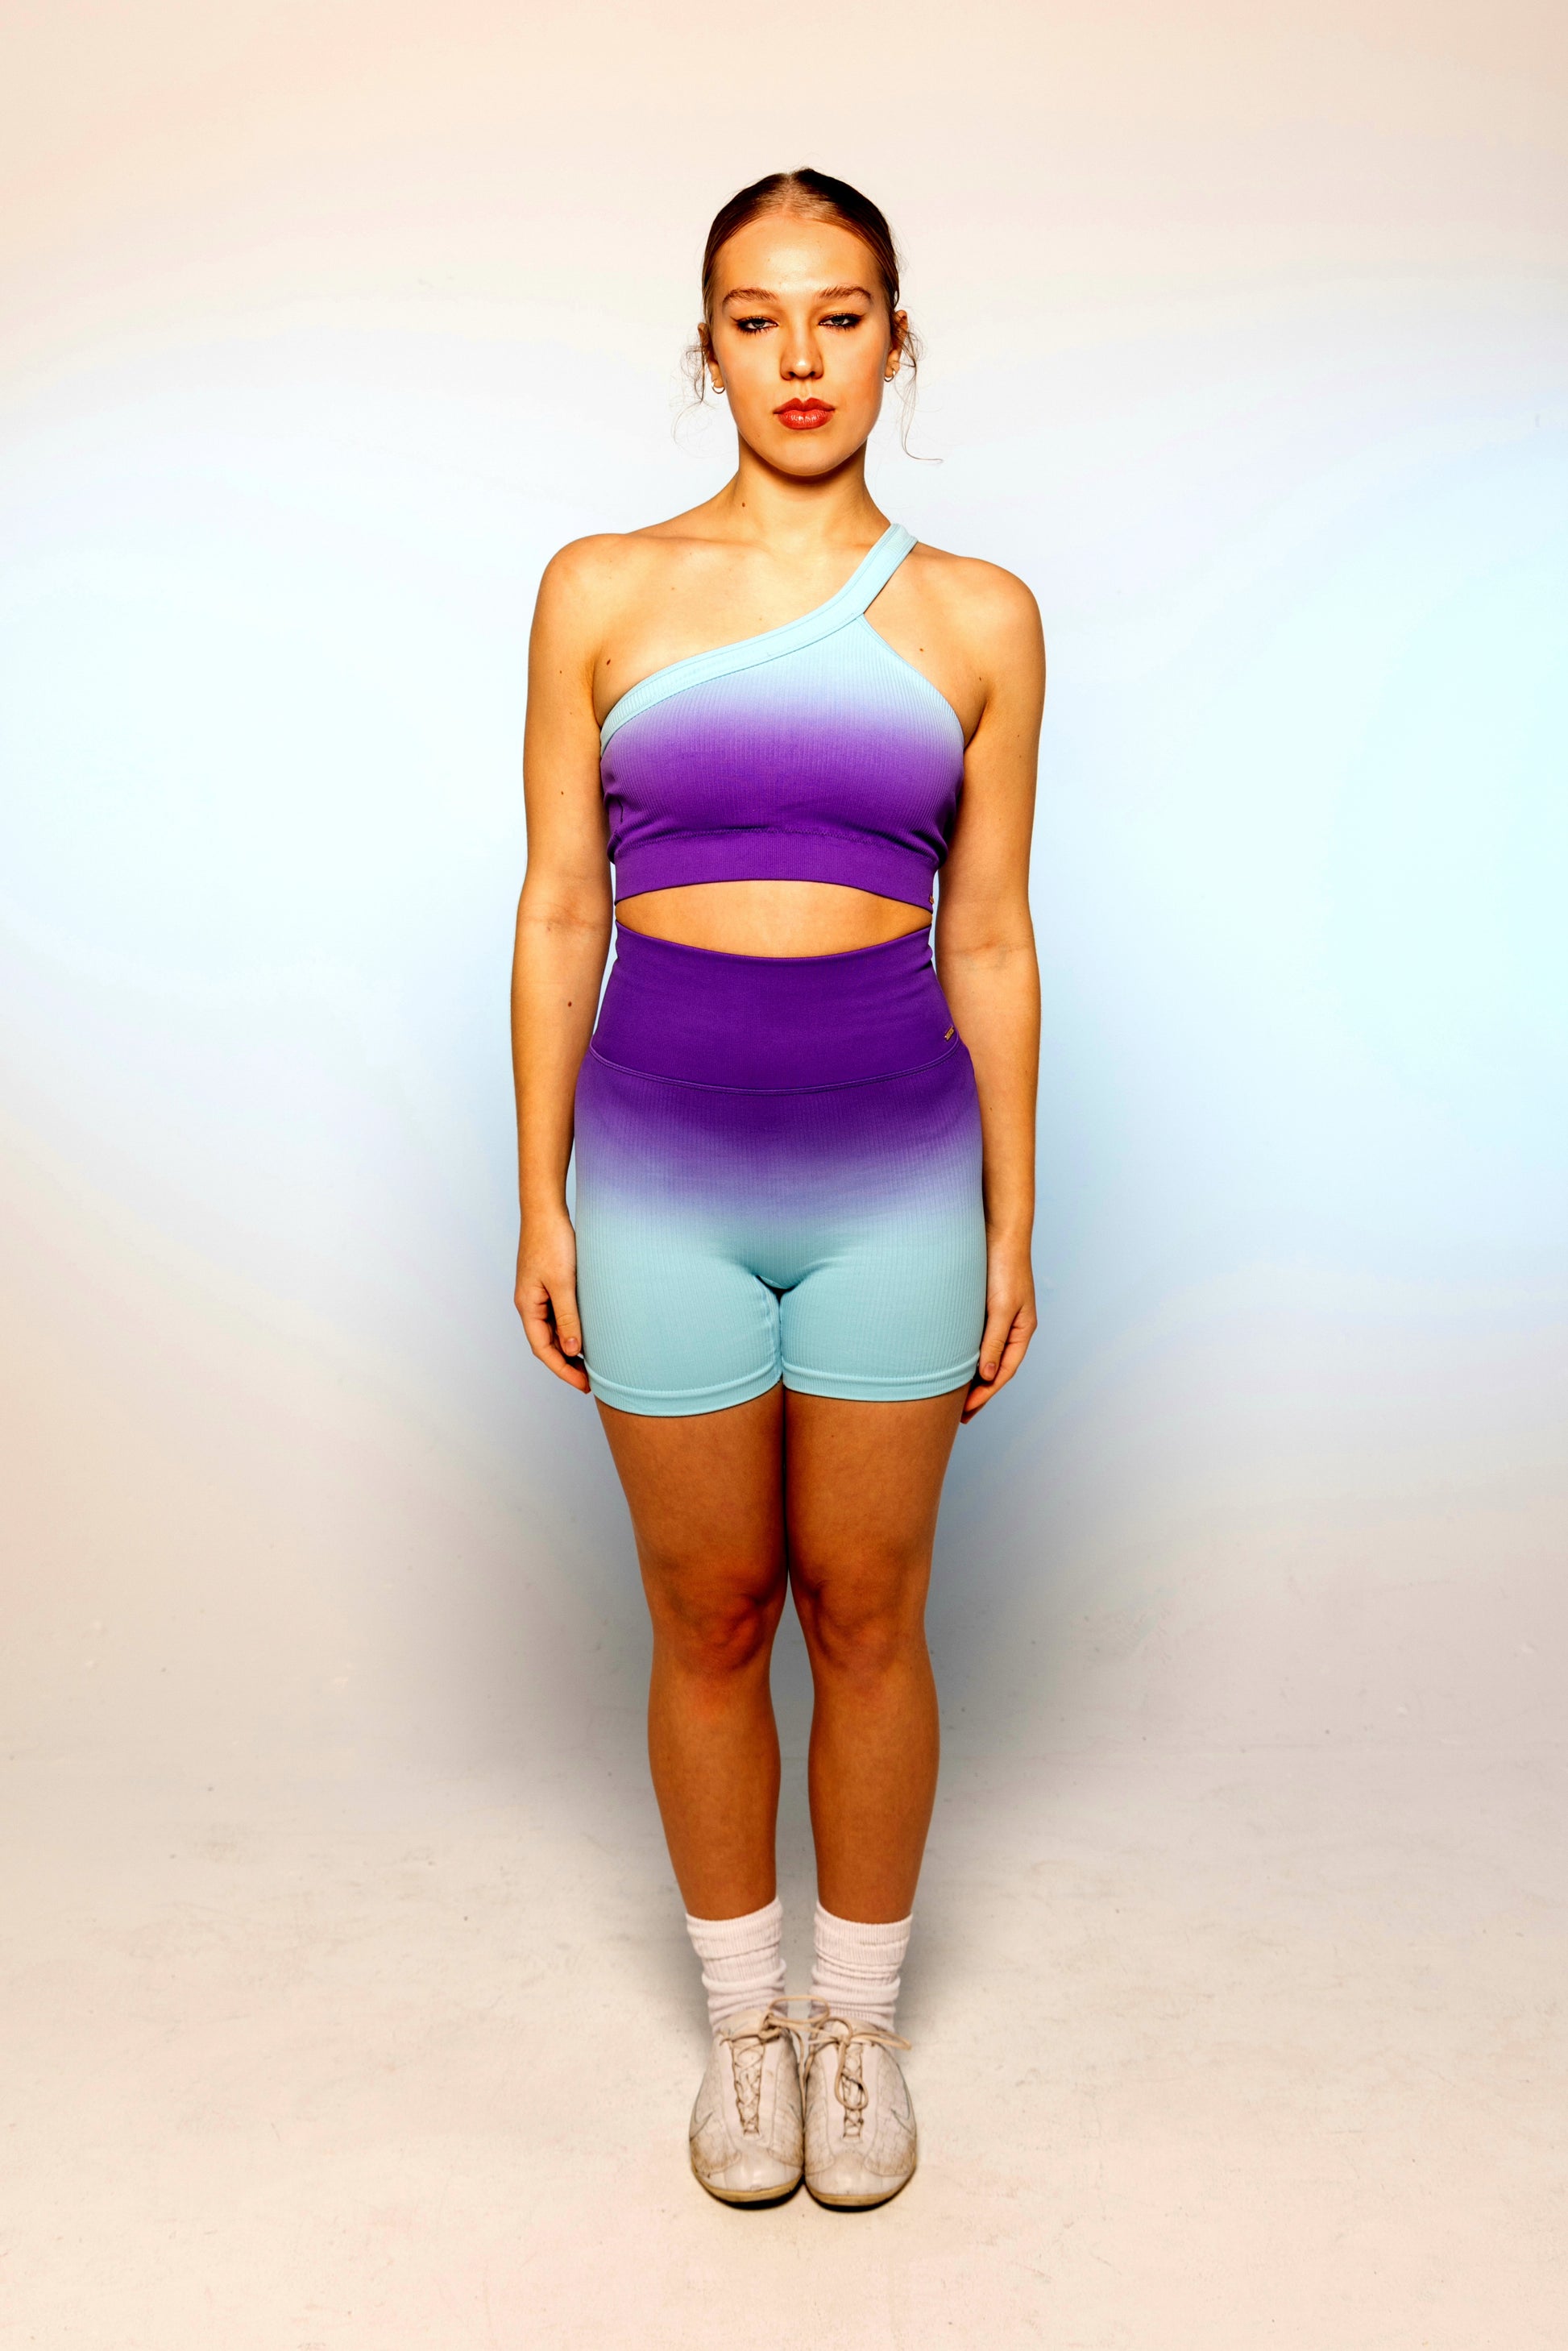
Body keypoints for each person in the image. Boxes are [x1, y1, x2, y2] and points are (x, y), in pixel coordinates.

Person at [511, 168, 1043, 2208]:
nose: (800, 356)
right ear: (708, 345)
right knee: (709, 1606)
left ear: (896, 340)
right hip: (657, 1175)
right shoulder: (600, 589)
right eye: (757, 316)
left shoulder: (979, 616)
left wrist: (1010, 1216)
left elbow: (987, 933)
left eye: (839, 314)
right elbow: (562, 908)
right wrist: (542, 1197)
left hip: (895, 1171)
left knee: (870, 1606)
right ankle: (747, 2031)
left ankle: (861, 2026)